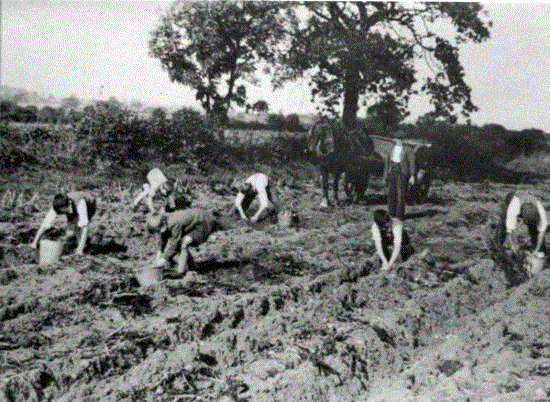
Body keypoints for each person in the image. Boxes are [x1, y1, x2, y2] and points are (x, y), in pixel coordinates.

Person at [147, 208, 222, 277]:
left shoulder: (174, 223)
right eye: (157, 231)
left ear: (163, 223)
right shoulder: (164, 220)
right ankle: (193, 267)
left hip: (204, 223)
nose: (159, 232)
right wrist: (158, 257)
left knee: (184, 242)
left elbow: (174, 244)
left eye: (159, 229)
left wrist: (164, 259)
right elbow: (163, 240)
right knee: (180, 243)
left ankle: (180, 273)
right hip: (195, 223)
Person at [30, 191, 97, 255]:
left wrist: (80, 249)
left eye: (64, 210)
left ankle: (82, 247)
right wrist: (35, 242)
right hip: (72, 206)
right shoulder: (57, 205)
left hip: (90, 204)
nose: (63, 213)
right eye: (61, 211)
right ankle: (81, 243)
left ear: (68, 205)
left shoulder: (80, 204)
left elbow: (85, 227)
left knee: (78, 225)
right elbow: (45, 224)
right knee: (71, 228)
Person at [493, 191, 548, 255]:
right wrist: (514, 246)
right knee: (504, 223)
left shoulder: (540, 210)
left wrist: (537, 250)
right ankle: (497, 247)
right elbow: (510, 230)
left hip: (527, 201)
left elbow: (542, 231)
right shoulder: (513, 207)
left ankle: (539, 249)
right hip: (512, 198)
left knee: (534, 229)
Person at [383, 130, 416, 221]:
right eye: (397, 138)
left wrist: (412, 175)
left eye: (401, 139)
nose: (399, 140)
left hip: (402, 173)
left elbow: (412, 163)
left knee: (401, 194)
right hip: (392, 172)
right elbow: (387, 163)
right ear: (395, 139)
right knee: (391, 193)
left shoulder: (408, 149)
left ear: (403, 140)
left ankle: (399, 215)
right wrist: (385, 175)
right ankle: (391, 214)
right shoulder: (392, 148)